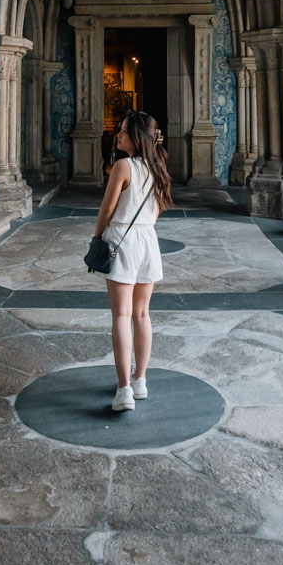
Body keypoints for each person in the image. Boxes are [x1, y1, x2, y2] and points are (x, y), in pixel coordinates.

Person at [92, 111, 172, 412]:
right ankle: (140, 381)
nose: (118, 135)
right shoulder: (159, 167)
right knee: (142, 315)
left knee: (122, 316)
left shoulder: (123, 166)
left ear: (137, 136)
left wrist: (97, 238)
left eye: (124, 131)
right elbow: (158, 209)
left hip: (122, 241)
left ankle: (124, 389)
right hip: (148, 241)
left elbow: (107, 209)